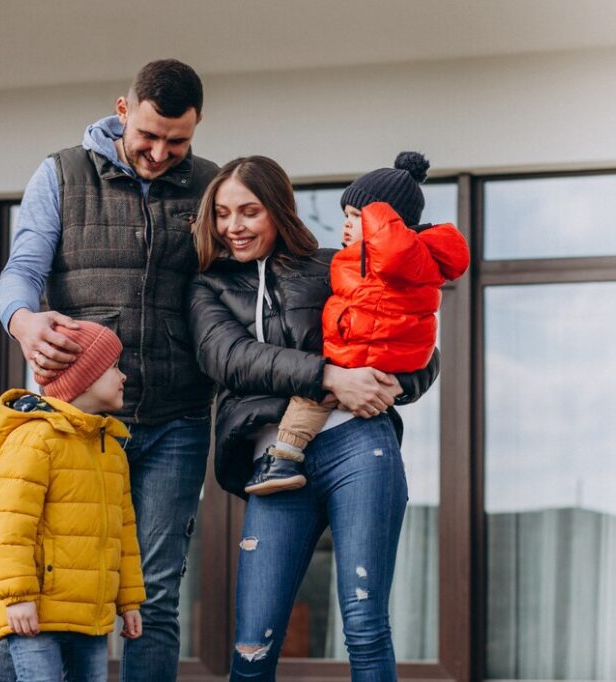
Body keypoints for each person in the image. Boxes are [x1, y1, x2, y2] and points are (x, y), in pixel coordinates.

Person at [0, 59, 218, 682]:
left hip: (176, 420)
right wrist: (23, 322)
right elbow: (23, 269)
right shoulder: (60, 173)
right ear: (123, 109)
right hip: (72, 424)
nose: (161, 152)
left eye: (178, 141)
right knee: (29, 584)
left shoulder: (211, 185)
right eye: (149, 136)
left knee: (155, 598)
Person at [188, 156, 440, 680]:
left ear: (278, 211)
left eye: (250, 211)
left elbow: (416, 343)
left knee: (366, 627)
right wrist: (330, 376)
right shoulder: (208, 287)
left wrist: (394, 383)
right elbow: (229, 357)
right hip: (275, 469)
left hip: (357, 446)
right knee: (251, 645)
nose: (234, 226)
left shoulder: (333, 265)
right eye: (222, 213)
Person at [245, 152, 470, 495]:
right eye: (345, 215)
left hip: (363, 353)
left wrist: (333, 372)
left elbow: (385, 268)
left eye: (356, 216)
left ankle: (284, 457)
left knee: (309, 399)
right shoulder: (413, 259)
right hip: (389, 356)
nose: (346, 225)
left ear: (386, 223)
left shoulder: (392, 260)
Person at [0, 321, 144, 682]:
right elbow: (9, 526)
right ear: (85, 376)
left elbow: (124, 534)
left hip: (90, 617)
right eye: (114, 367)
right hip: (35, 614)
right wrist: (19, 596)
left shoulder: (110, 451)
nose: (123, 376)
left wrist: (129, 601)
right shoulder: (35, 439)